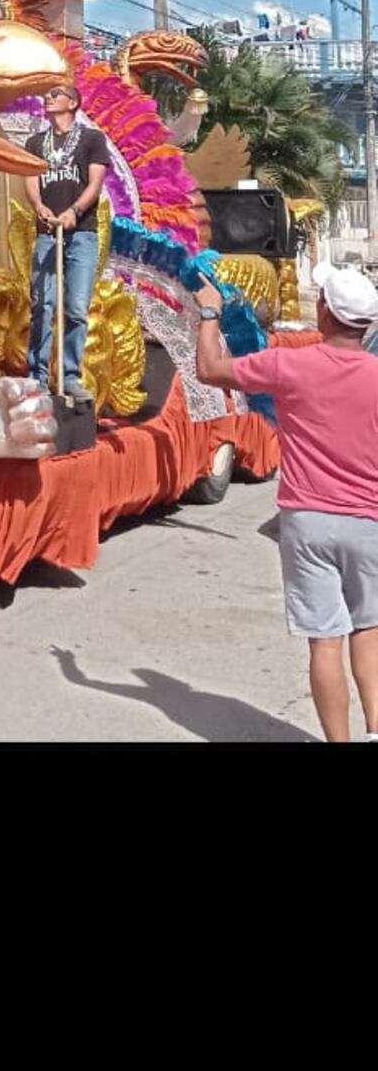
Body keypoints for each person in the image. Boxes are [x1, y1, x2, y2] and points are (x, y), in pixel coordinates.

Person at [195, 260, 378, 743]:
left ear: (325, 313)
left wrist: (211, 314)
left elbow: (210, 369)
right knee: (370, 630)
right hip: (370, 522)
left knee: (325, 641)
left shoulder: (290, 364)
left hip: (307, 520)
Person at [24, 81, 109, 406]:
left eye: (54, 94)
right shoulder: (35, 142)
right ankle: (37, 376)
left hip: (82, 233)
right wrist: (39, 207)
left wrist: (75, 211)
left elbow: (96, 181)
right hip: (47, 235)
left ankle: (70, 376)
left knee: (75, 307)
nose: (47, 98)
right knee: (43, 305)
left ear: (72, 102)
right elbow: (31, 180)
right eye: (45, 94)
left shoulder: (91, 139)